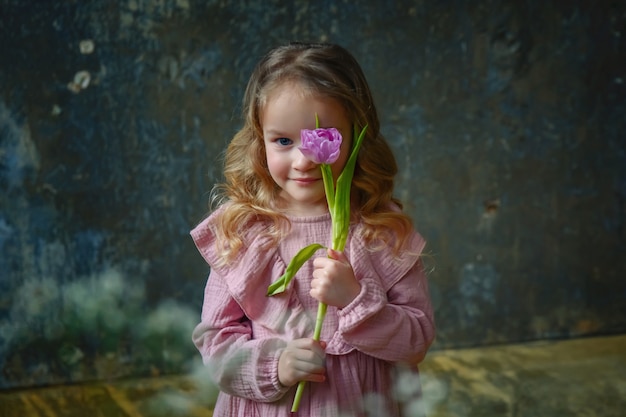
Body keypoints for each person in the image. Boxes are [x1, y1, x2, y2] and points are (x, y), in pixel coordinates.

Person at [191, 42, 435, 417]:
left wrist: (356, 299)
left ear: (356, 135)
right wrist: (278, 365)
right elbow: (216, 341)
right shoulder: (245, 231)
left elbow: (416, 340)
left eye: (321, 139)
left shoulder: (379, 228)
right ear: (261, 139)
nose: (304, 160)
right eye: (283, 141)